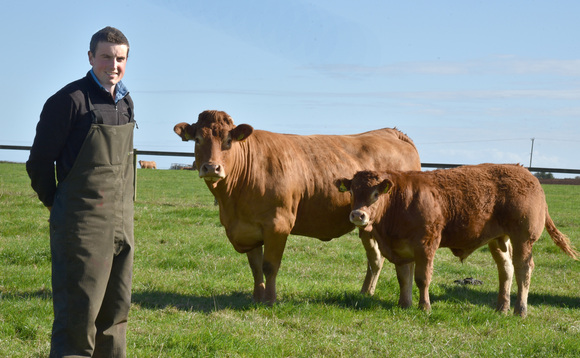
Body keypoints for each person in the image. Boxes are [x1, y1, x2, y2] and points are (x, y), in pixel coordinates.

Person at [26, 26, 135, 357]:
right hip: (81, 227)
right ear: (90, 57)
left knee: (115, 316)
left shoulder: (126, 102)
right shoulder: (68, 101)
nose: (113, 65)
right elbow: (39, 164)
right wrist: (62, 208)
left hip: (121, 225)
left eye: (120, 58)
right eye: (105, 57)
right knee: (78, 318)